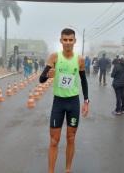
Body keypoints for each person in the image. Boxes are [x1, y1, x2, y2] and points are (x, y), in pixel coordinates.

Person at [39, 28, 89, 173]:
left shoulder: (79, 60)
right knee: (54, 140)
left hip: (73, 102)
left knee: (71, 138)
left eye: (70, 40)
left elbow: (84, 81)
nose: (68, 42)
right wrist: (49, 74)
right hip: (58, 103)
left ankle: (68, 169)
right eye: (65, 40)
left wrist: (86, 101)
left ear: (74, 41)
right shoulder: (54, 57)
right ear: (61, 41)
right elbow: (41, 79)